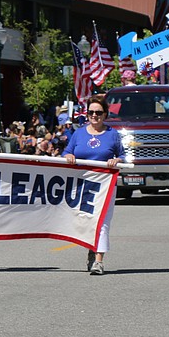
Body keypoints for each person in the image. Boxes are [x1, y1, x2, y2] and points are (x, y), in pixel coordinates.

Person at [63, 94, 122, 275]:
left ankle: (98, 261)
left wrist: (117, 160)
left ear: (105, 115)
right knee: (84, 220)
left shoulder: (112, 135)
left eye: (98, 112)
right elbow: (66, 151)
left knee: (102, 221)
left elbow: (124, 155)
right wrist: (68, 156)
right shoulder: (79, 133)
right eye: (91, 112)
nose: (94, 116)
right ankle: (91, 248)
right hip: (82, 184)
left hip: (105, 184)